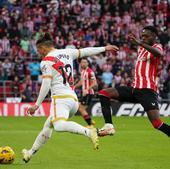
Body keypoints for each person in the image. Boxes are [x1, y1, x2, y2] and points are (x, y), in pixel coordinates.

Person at [22, 32, 119, 163]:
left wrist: (36, 105)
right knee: (48, 125)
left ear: (43, 47)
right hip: (73, 100)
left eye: (39, 50)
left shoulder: (46, 61)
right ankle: (30, 153)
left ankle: (89, 132)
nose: (39, 53)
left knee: (59, 125)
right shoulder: (67, 52)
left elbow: (46, 83)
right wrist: (104, 48)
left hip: (60, 99)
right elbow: (86, 51)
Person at [98, 26, 170, 138]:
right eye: (142, 36)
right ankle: (109, 126)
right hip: (134, 89)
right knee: (104, 93)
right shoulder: (141, 49)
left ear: (154, 36)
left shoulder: (157, 46)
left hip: (147, 90)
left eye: (146, 36)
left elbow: (159, 54)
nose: (143, 38)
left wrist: (140, 43)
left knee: (156, 123)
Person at [75, 58, 97, 128]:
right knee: (81, 108)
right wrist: (74, 86)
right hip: (85, 93)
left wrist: (87, 89)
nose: (83, 64)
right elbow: (81, 82)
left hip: (89, 93)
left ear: (87, 63)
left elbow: (94, 83)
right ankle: (90, 121)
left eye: (85, 62)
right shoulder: (82, 71)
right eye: (82, 62)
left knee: (81, 109)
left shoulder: (90, 72)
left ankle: (90, 124)